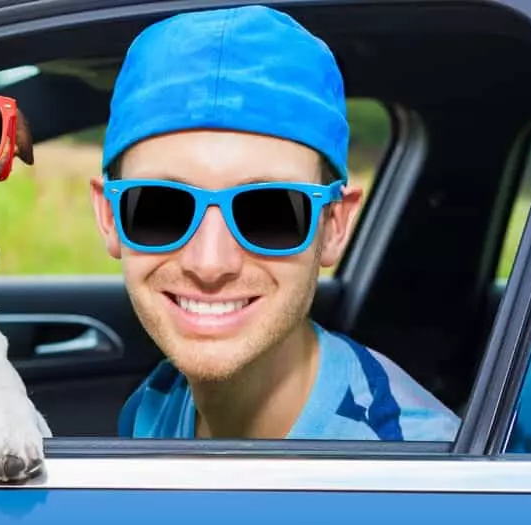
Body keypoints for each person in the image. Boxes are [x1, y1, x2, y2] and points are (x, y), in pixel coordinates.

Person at [89, 5, 461, 441]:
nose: (210, 264)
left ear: (334, 226)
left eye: (269, 213)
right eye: (160, 209)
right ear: (110, 217)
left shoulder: (413, 473)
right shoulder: (155, 403)